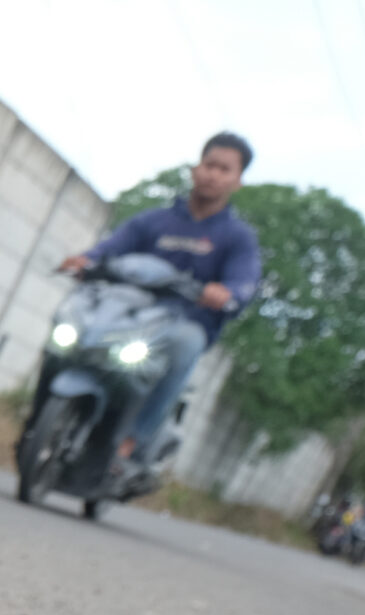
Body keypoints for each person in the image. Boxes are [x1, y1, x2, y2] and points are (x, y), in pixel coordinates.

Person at [60, 132, 263, 468]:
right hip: (127, 310)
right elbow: (109, 249)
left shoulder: (237, 237)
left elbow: (243, 282)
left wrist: (228, 293)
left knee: (186, 345)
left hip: (184, 321)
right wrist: (85, 261)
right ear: (196, 168)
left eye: (224, 169)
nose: (213, 174)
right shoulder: (153, 221)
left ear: (237, 181)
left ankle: (131, 441)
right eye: (209, 164)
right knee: (72, 323)